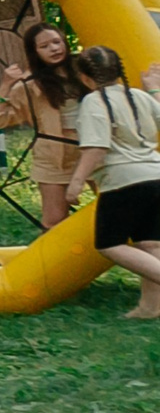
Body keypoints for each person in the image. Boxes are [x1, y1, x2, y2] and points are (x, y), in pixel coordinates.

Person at [65, 46, 160, 319]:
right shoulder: (138, 95)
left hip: (123, 181)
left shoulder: (95, 101)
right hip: (155, 176)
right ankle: (150, 308)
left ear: (84, 77)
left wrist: (76, 182)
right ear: (119, 71)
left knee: (109, 244)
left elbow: (96, 148)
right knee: (151, 244)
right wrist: (154, 89)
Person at [0, 22, 89, 226]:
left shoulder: (86, 72)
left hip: (95, 150)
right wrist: (6, 85)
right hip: (54, 157)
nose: (54, 48)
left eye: (57, 42)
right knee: (54, 220)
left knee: (120, 207)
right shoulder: (29, 86)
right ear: (34, 52)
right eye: (44, 46)